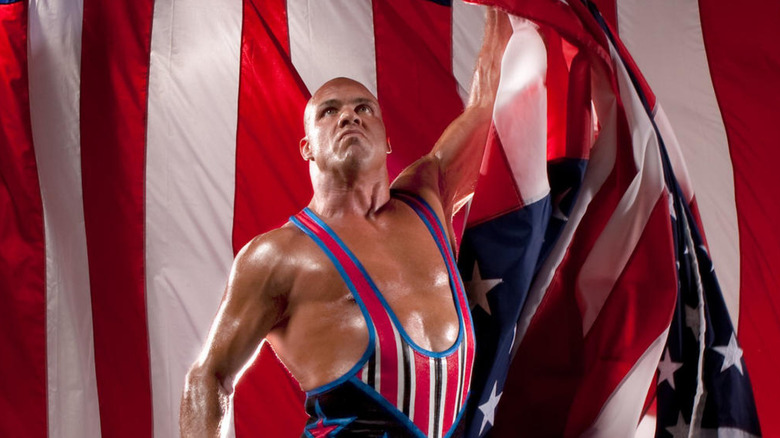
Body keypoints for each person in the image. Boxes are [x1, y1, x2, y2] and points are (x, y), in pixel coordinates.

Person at [180, 9, 511, 437]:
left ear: (386, 138)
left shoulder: (429, 197)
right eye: (328, 112)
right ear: (307, 148)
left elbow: (489, 104)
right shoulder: (278, 257)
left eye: (363, 108)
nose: (349, 117)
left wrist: (506, 13)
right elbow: (208, 377)